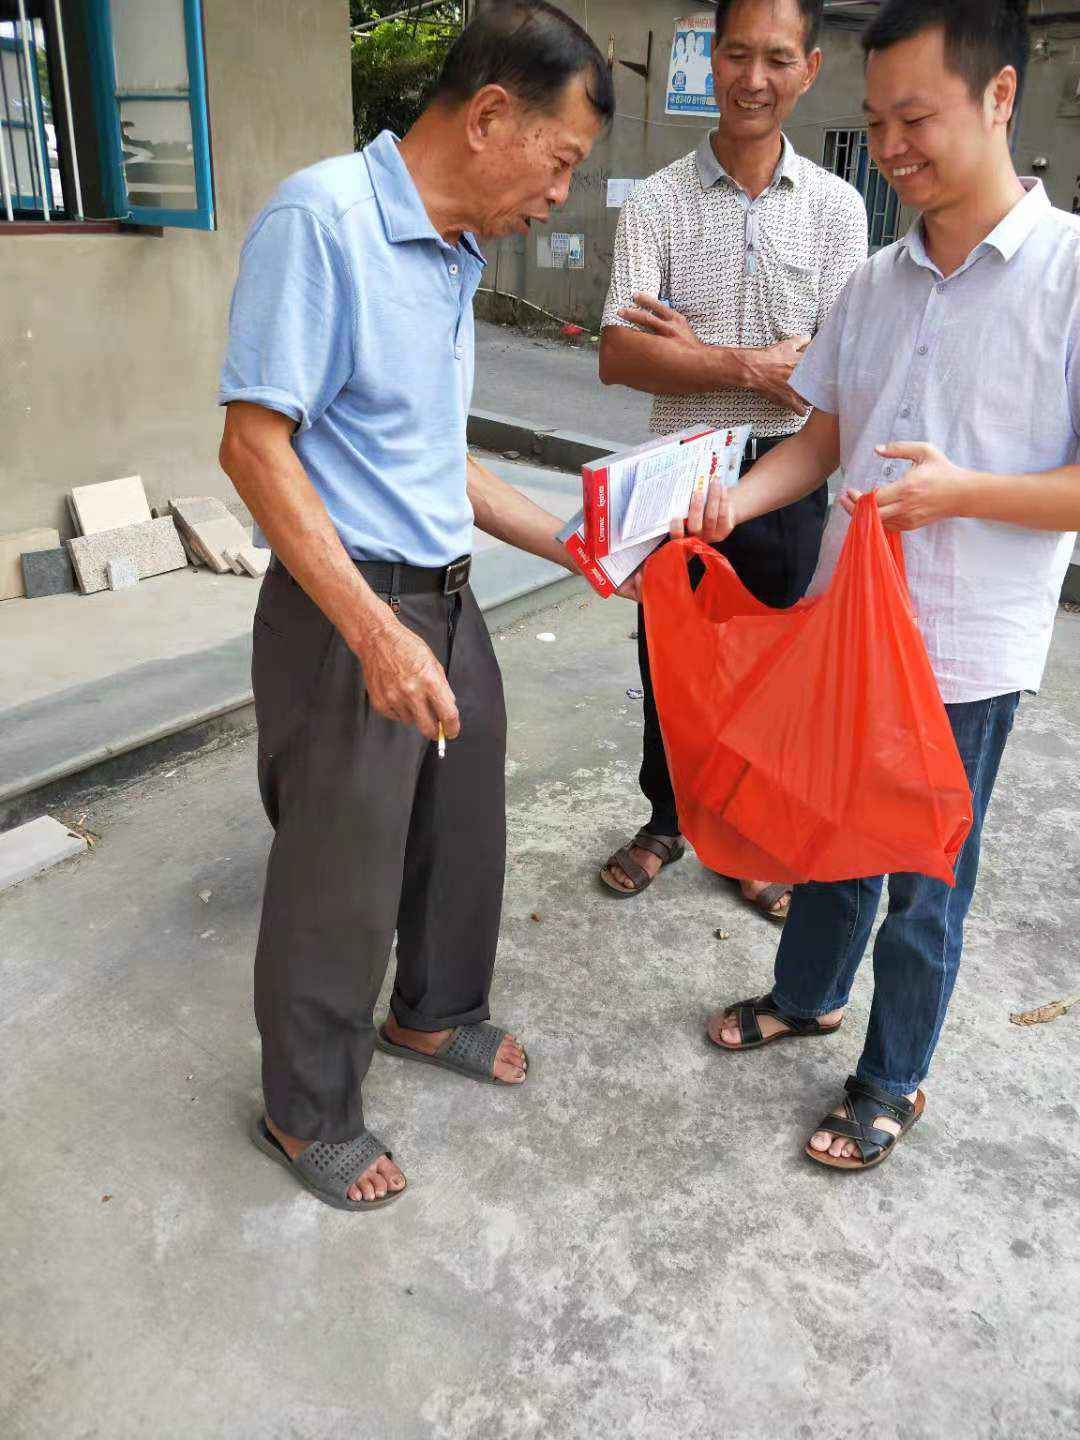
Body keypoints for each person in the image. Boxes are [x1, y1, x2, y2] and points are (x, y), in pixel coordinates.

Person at [218, 1, 614, 1213]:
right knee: (339, 872)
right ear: (490, 115)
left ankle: (432, 1010)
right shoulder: (324, 221)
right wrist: (374, 633)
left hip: (443, 592)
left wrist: (573, 542)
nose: (560, 196)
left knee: (462, 821)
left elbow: (434, 455)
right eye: (559, 160)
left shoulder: (451, 253)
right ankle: (306, 1109)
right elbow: (254, 447)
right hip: (349, 609)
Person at [700, 0, 1080, 1169]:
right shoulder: (876, 281)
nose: (892, 147)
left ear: (1000, 97)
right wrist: (738, 502)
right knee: (829, 834)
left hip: (965, 651)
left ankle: (893, 1077)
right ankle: (809, 995)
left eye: (915, 118)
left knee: (923, 877)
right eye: (874, 122)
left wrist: (965, 491)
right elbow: (825, 436)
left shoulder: (1069, 275)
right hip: (848, 622)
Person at [598, 0, 868, 918]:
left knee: (773, 663)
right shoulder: (657, 202)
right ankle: (667, 820)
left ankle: (750, 835)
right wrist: (750, 364)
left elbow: (833, 370)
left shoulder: (837, 211)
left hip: (790, 471)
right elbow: (619, 354)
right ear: (708, 59)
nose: (754, 79)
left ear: (810, 68)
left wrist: (690, 347)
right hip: (679, 471)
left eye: (777, 59)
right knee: (671, 659)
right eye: (737, 55)